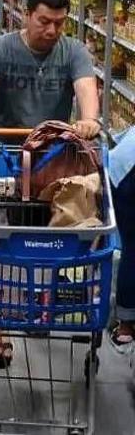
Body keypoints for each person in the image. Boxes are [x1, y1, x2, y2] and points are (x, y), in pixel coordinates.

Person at [0, 0, 100, 367]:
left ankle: (42, 303)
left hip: (56, 164)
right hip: (7, 160)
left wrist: (88, 120)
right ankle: (1, 333)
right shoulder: (1, 47)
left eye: (60, 23)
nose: (52, 30)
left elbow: (86, 89)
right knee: (5, 244)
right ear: (27, 15)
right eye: (44, 21)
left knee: (53, 240)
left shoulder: (73, 51)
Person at [109, 128, 135, 351]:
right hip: (129, 170)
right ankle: (126, 322)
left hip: (124, 162)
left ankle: (126, 324)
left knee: (132, 247)